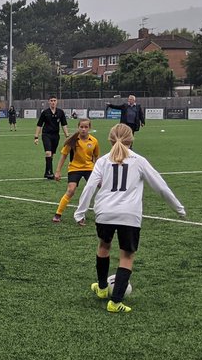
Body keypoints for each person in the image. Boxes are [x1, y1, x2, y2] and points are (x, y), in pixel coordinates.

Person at [74, 123, 186, 313]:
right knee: (126, 256)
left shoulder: (102, 161)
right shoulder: (139, 160)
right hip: (129, 214)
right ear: (131, 139)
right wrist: (179, 208)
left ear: (110, 139)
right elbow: (160, 186)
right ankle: (115, 302)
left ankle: (102, 289)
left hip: (104, 213)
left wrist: (80, 212)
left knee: (103, 246)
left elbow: (90, 187)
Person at [52, 118, 101, 223]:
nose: (83, 129)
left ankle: (103, 212)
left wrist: (99, 172)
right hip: (75, 168)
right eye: (81, 127)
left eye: (86, 127)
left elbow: (97, 157)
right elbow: (64, 155)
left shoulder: (94, 141)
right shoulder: (73, 140)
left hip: (89, 168)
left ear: (89, 128)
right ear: (78, 127)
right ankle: (58, 214)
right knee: (71, 190)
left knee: (101, 187)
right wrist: (58, 171)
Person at [34, 96, 70, 179]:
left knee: (52, 155)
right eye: (51, 101)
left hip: (56, 136)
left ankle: (47, 172)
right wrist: (36, 137)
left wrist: (67, 136)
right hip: (46, 135)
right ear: (49, 102)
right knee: (48, 153)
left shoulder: (60, 112)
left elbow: (64, 124)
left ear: (56, 102)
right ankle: (50, 173)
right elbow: (39, 125)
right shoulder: (45, 112)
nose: (53, 102)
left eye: (54, 100)